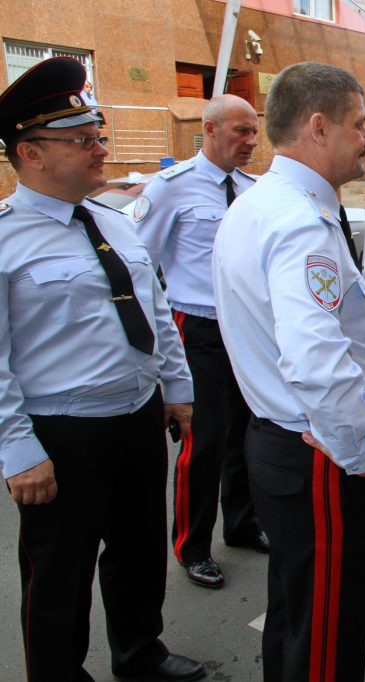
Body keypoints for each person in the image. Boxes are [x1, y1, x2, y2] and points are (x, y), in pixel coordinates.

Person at [0, 57, 204, 682]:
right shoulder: (7, 240)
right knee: (59, 573)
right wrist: (18, 451)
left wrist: (177, 388)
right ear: (31, 153)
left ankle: (140, 655)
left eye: (100, 136)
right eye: (82, 140)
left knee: (140, 554)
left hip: (138, 417)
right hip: (63, 433)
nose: (100, 149)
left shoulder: (117, 223)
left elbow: (158, 310)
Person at [211, 62, 365, 681]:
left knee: (296, 613)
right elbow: (316, 358)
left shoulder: (258, 203)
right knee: (325, 632)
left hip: (281, 441)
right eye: (359, 122)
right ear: (318, 127)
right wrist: (355, 451)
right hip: (315, 452)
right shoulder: (300, 223)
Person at [135, 94, 266, 589]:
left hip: (245, 328)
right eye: (240, 132)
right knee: (203, 440)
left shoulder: (253, 190)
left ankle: (242, 525)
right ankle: (192, 547)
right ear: (209, 130)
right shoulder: (171, 188)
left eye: (254, 132)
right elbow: (138, 264)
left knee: (247, 434)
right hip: (197, 328)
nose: (251, 142)